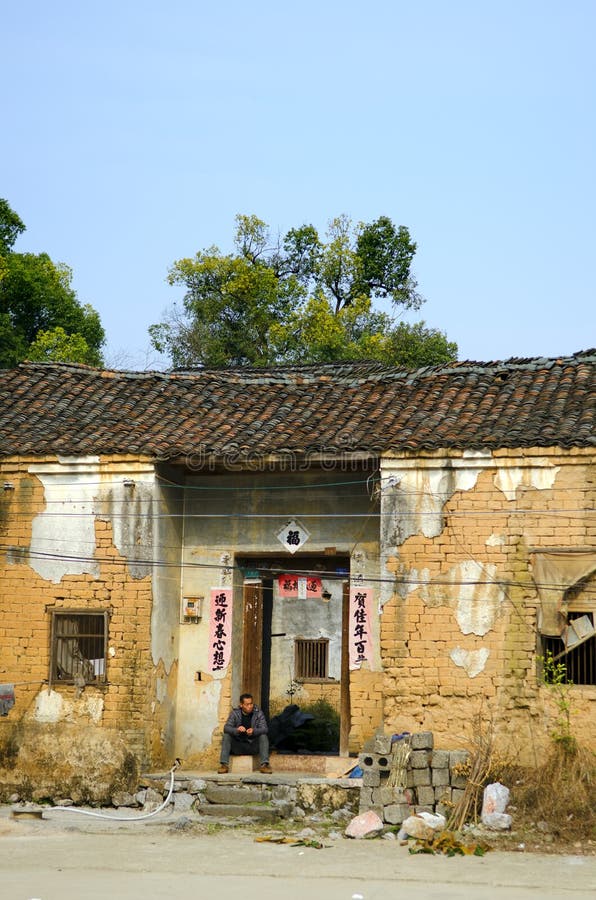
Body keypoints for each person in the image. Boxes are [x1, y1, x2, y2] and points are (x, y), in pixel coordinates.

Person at [218, 692, 272, 774]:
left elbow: (265, 729)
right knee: (226, 736)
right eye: (247, 704)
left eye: (251, 704)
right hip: (238, 745)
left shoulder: (258, 713)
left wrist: (254, 731)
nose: (250, 706)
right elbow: (226, 728)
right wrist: (237, 730)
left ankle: (264, 765)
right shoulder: (235, 713)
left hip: (252, 745)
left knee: (263, 736)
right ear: (241, 705)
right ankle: (224, 765)